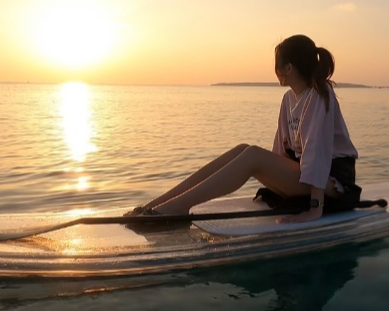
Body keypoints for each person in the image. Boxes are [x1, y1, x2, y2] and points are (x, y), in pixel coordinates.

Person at [127, 34, 359, 223]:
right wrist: (274, 182)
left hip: (331, 182)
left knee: (253, 155)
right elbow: (279, 152)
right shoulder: (289, 99)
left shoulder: (320, 95)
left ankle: (177, 208)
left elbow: (317, 153)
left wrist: (314, 208)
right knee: (243, 149)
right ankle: (157, 205)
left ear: (288, 68)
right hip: (306, 174)